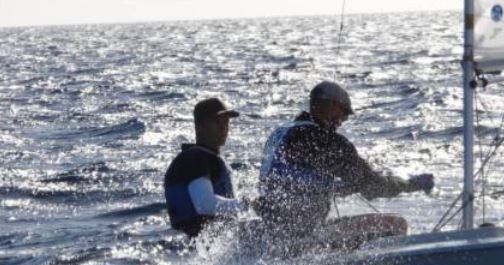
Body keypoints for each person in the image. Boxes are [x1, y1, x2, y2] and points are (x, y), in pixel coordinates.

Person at [258, 81, 434, 248]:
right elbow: (372, 184)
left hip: (272, 230)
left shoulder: (281, 133)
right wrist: (410, 184)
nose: (342, 121)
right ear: (333, 105)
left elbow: (295, 185)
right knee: (396, 225)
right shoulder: (323, 140)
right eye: (344, 113)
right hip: (299, 238)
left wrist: (344, 188)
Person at [164, 97, 250, 238]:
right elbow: (205, 204)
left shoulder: (211, 158)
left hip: (216, 242)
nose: (224, 127)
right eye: (217, 122)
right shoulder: (193, 159)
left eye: (226, 122)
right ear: (200, 126)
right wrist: (247, 205)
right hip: (194, 243)